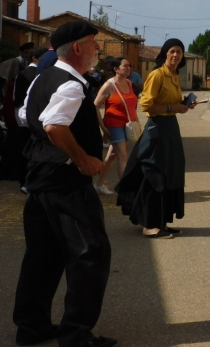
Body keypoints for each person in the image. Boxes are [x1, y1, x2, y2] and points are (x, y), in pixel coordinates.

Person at [13, 21, 116, 347]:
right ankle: (76, 334)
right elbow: (55, 126)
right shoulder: (72, 85)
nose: (98, 49)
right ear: (78, 48)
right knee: (91, 253)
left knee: (43, 255)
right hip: (65, 182)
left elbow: (24, 115)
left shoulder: (42, 78)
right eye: (93, 43)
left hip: (40, 178)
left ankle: (31, 328)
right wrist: (84, 160)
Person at [116, 39, 195, 239]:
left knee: (170, 173)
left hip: (170, 129)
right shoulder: (157, 74)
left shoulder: (175, 75)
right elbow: (146, 106)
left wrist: (183, 104)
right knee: (154, 174)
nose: (176, 55)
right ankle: (149, 224)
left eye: (179, 51)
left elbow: (171, 102)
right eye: (172, 51)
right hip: (157, 129)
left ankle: (161, 222)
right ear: (165, 54)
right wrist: (172, 108)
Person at [93, 57, 138, 196]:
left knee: (112, 156)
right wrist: (102, 126)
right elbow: (95, 105)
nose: (128, 68)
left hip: (127, 124)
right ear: (116, 69)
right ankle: (126, 191)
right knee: (123, 157)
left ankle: (99, 184)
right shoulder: (109, 85)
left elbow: (132, 105)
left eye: (129, 66)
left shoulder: (129, 83)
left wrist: (136, 120)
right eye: (125, 66)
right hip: (114, 125)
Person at [9, 47, 48, 190]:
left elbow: (16, 98)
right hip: (30, 118)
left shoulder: (25, 74)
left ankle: (24, 179)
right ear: (35, 58)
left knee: (25, 148)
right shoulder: (36, 74)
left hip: (24, 117)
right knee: (29, 150)